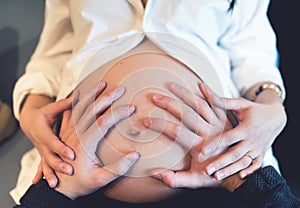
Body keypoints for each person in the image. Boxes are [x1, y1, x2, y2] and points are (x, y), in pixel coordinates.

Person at [11, 0, 287, 205]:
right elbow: (51, 59)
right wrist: (30, 111)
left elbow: (252, 57)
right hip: (69, 177)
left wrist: (272, 107)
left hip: (222, 174)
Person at [13, 83, 299, 208]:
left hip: (71, 184)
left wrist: (56, 195)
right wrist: (250, 184)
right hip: (226, 175)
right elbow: (51, 56)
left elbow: (253, 51)